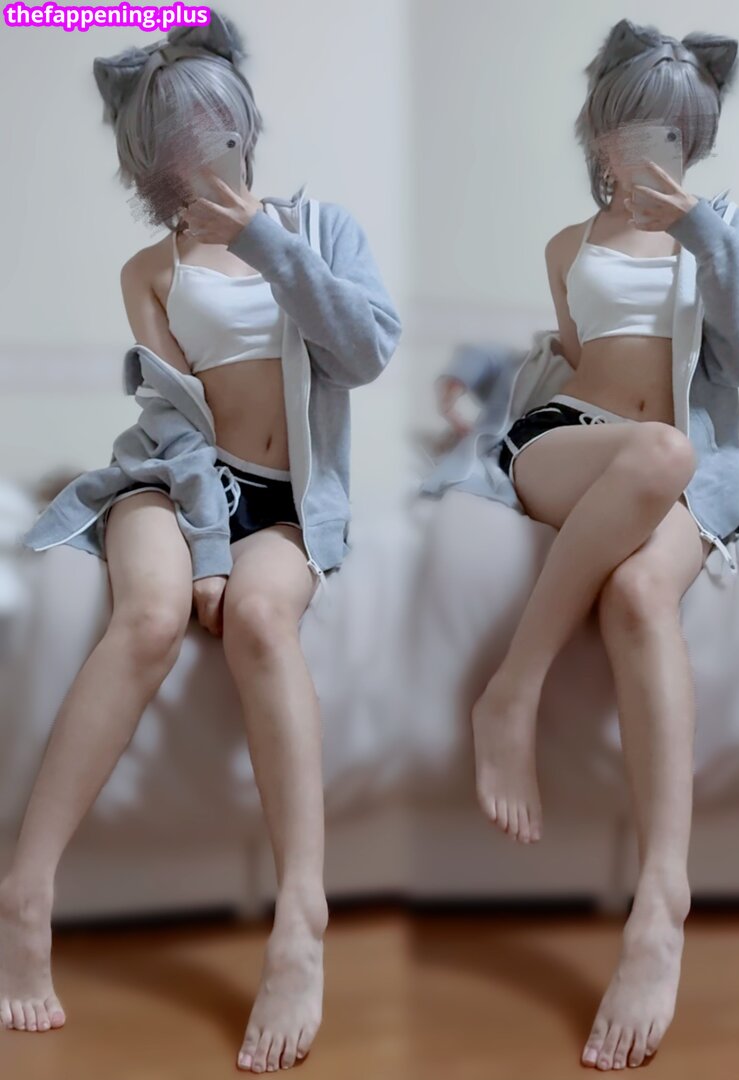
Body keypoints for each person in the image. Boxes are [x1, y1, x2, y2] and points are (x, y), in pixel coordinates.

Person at [3, 11, 401, 1073]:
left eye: (215, 135)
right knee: (147, 616)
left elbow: (364, 351)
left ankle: (300, 919)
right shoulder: (150, 270)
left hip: (288, 498)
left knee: (264, 621)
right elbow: (175, 428)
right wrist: (208, 555)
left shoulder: (319, 230)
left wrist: (265, 240)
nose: (201, 164)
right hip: (173, 486)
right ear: (152, 169)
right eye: (175, 153)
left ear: (242, 126)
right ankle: (26, 893)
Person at [429, 18, 739, 1072]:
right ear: (600, 137)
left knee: (641, 584)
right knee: (653, 452)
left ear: (695, 140)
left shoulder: (729, 233)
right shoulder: (566, 247)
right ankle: (513, 693)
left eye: (672, 132)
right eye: (632, 129)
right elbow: (571, 361)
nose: (649, 150)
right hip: (566, 442)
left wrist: (701, 234)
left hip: (680, 470)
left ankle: (660, 902)